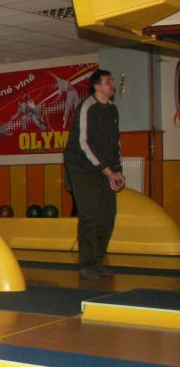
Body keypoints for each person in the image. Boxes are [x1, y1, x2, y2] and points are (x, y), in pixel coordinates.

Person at [64, 69, 125, 280]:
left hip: (103, 169)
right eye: (108, 81)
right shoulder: (86, 107)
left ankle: (97, 260)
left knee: (107, 215)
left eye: (112, 81)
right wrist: (108, 172)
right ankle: (87, 264)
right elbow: (84, 144)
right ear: (97, 86)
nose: (113, 84)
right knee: (90, 215)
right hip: (82, 168)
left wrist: (117, 171)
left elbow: (115, 143)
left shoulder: (112, 109)